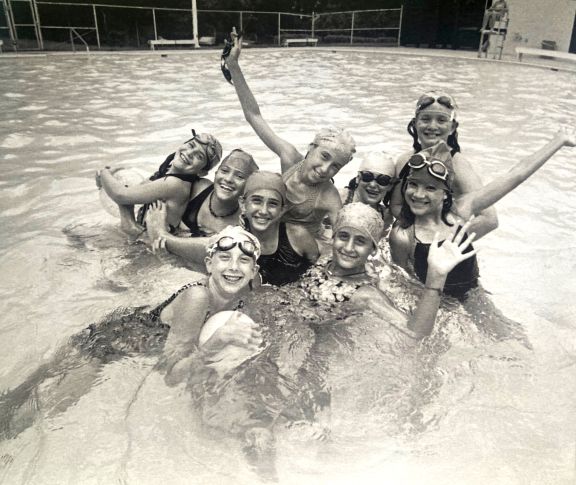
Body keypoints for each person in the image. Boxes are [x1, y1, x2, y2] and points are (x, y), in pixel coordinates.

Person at [390, 128, 576, 299]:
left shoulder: (460, 212)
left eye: (430, 188)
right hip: (438, 304)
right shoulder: (404, 235)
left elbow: (515, 175)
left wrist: (558, 141)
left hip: (474, 295)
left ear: (445, 193)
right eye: (413, 184)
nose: (418, 194)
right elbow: (404, 282)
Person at [223, 28, 355, 239]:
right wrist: (233, 65)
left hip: (298, 247)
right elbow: (253, 116)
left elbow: (344, 239)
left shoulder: (328, 197)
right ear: (311, 148)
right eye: (324, 157)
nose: (325, 169)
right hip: (268, 230)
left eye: (336, 167)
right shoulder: (290, 158)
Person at [148, 171, 320, 286]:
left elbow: (319, 269)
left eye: (273, 204)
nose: (264, 211)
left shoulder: (298, 236)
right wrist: (159, 232)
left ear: (282, 209)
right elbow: (177, 244)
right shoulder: (231, 240)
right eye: (257, 201)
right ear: (243, 204)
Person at [391, 92, 498, 239]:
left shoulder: (459, 166)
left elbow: (489, 219)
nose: (432, 126)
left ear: (452, 127)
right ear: (415, 123)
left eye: (441, 120)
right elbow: (396, 206)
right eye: (425, 119)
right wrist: (415, 236)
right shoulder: (404, 161)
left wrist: (443, 243)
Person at [95, 130, 223, 237]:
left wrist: (104, 173)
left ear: (201, 172)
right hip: (142, 237)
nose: (189, 153)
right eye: (191, 145)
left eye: (199, 156)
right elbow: (132, 193)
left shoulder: (175, 184)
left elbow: (121, 195)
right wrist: (105, 184)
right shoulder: (165, 174)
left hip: (145, 244)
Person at [340, 151, 397, 233]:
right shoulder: (340, 198)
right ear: (358, 178)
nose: (373, 185)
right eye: (367, 177)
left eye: (383, 180)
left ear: (390, 186)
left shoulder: (385, 216)